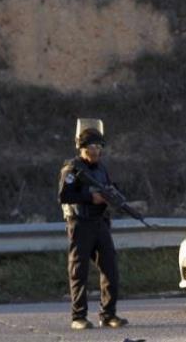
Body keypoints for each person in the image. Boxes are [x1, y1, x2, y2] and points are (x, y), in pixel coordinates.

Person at [58, 119, 128, 330]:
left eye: (99, 147)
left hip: (100, 223)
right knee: (79, 272)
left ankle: (108, 314)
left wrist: (111, 196)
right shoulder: (72, 168)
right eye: (92, 147)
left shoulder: (101, 169)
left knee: (110, 269)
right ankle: (78, 317)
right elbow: (64, 195)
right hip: (80, 224)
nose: (96, 150)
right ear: (82, 148)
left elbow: (108, 188)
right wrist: (91, 197)